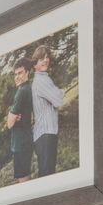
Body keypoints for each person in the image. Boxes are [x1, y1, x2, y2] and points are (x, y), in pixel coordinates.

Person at [31, 45, 65, 180]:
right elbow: (58, 100)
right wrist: (60, 92)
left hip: (46, 134)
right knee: (47, 177)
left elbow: (55, 98)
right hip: (45, 134)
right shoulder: (41, 81)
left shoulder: (44, 78)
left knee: (48, 174)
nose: (45, 60)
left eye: (46, 57)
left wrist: (57, 93)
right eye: (41, 59)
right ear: (35, 64)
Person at [3, 61, 35, 182]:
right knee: (25, 175)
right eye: (15, 74)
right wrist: (13, 116)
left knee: (23, 180)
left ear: (27, 72)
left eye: (20, 73)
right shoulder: (28, 88)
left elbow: (9, 124)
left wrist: (12, 117)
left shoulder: (22, 91)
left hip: (21, 143)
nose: (17, 76)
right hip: (25, 140)